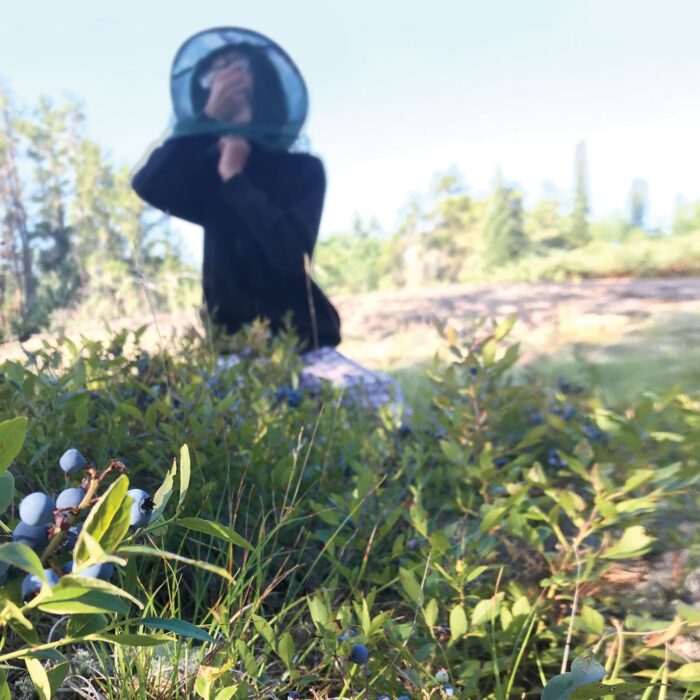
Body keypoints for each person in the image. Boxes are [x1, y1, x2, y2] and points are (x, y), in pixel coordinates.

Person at [132, 29, 406, 417]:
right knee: (188, 417)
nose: (228, 76)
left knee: (383, 403)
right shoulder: (200, 174)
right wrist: (207, 122)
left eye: (239, 68)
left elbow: (291, 255)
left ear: (262, 83)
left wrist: (236, 180)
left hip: (307, 347)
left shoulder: (301, 170)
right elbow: (149, 184)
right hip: (232, 351)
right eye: (218, 71)